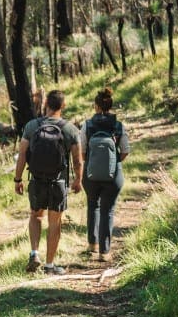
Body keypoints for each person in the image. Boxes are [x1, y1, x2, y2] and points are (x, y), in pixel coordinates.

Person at [13, 89, 83, 275]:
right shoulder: (70, 129)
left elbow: (22, 155)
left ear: (46, 105)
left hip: (36, 180)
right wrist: (78, 180)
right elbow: (77, 159)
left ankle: (34, 253)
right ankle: (50, 265)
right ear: (63, 105)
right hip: (58, 182)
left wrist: (18, 179)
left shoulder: (31, 127)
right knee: (54, 222)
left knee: (36, 216)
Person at [80, 87, 130, 262]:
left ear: (96, 106)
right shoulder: (118, 125)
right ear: (110, 105)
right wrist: (113, 161)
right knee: (108, 210)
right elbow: (125, 150)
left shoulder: (87, 124)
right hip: (113, 173)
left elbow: (82, 151)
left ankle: (92, 244)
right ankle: (105, 252)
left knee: (93, 205)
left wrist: (92, 162)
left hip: (90, 173)